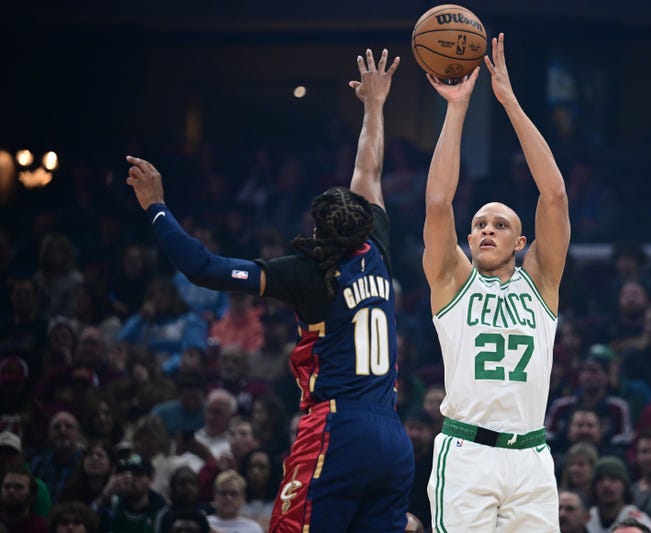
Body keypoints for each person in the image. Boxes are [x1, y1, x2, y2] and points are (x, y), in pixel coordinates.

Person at [125, 48, 413, 533]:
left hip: (338, 428)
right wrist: (374, 106)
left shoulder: (306, 270)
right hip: (392, 434)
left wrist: (157, 208)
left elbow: (203, 268)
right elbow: (369, 173)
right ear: (363, 223)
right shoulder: (377, 250)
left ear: (316, 231)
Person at [422, 33, 570, 532]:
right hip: (467, 453)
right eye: (480, 223)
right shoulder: (451, 280)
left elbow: (553, 195)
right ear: (468, 238)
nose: (488, 228)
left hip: (531, 457)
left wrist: (508, 101)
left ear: (521, 241)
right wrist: (458, 107)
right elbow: (439, 203)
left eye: (500, 224)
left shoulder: (542, 281)